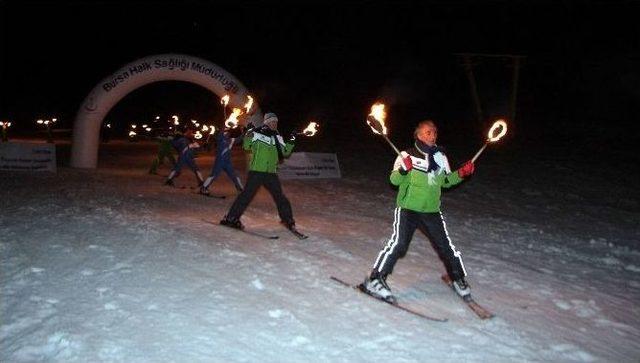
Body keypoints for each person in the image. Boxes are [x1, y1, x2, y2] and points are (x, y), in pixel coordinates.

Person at [362, 120, 476, 303]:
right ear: (419, 135)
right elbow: (394, 180)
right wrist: (404, 170)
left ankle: (458, 277)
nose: (433, 135)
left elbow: (445, 182)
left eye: (435, 132)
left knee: (447, 247)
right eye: (428, 132)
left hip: (431, 211)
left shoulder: (440, 157)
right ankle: (375, 279)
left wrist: (461, 174)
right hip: (408, 209)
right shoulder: (406, 155)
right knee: (398, 245)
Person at [219, 112, 297, 230]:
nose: (275, 124)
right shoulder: (257, 134)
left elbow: (285, 152)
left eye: (276, 122)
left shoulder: (277, 137)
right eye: (272, 121)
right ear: (266, 122)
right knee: (246, 195)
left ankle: (288, 219)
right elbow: (246, 146)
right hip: (257, 172)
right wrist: (249, 133)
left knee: (280, 197)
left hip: (271, 173)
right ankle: (231, 218)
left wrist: (291, 140)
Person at [199, 126, 244, 195]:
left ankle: (240, 188)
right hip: (220, 161)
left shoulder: (230, 139)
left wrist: (244, 132)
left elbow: (239, 139)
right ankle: (204, 188)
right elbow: (217, 136)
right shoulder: (220, 138)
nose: (227, 131)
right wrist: (217, 131)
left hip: (227, 161)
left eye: (228, 130)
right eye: (225, 129)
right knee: (214, 175)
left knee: (234, 175)